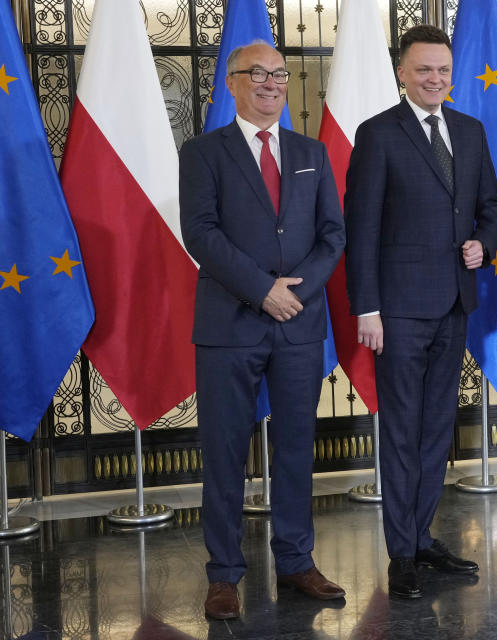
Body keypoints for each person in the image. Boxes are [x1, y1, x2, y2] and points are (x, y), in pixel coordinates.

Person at [180, 41, 347, 619]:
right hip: (230, 325)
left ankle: (296, 561)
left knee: (297, 449)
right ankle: (224, 574)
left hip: (298, 325)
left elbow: (333, 235)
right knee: (224, 452)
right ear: (233, 82)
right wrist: (262, 289)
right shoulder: (203, 152)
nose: (271, 83)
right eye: (258, 74)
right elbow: (200, 234)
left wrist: (293, 294)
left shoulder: (311, 152)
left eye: (279, 74)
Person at [343, 24, 497, 598]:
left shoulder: (470, 129)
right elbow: (360, 230)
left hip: (455, 304)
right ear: (402, 74)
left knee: (438, 429)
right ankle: (401, 553)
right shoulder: (377, 134)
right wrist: (367, 307)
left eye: (442, 70)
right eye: (423, 70)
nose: (435, 79)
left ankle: (422, 535)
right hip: (398, 312)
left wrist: (484, 244)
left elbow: (493, 207)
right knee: (404, 431)